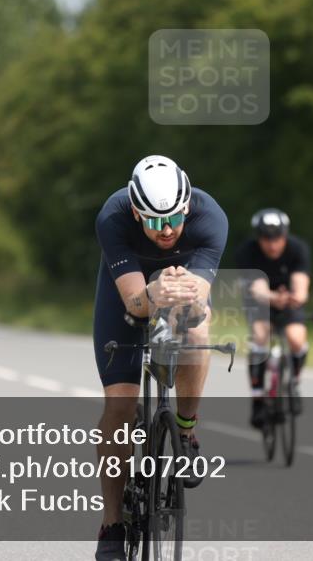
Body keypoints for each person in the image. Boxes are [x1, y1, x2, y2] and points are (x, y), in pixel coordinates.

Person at [93, 155, 228, 561]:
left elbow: (198, 302)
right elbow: (135, 304)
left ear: (186, 206)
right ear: (136, 212)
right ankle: (112, 524)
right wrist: (153, 293)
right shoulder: (113, 217)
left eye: (173, 218)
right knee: (119, 405)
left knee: (197, 333)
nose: (166, 229)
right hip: (129, 295)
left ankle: (185, 431)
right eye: (154, 221)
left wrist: (180, 294)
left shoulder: (210, 218)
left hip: (182, 293)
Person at [234, 208, 311, 428]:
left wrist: (295, 297)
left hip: (288, 301)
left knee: (296, 338)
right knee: (261, 335)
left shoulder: (298, 249)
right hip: (259, 300)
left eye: (277, 238)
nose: (272, 244)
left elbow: (301, 283)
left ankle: (294, 382)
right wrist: (273, 297)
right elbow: (257, 288)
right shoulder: (247, 252)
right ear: (258, 238)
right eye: (266, 239)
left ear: (285, 235)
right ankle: (258, 399)